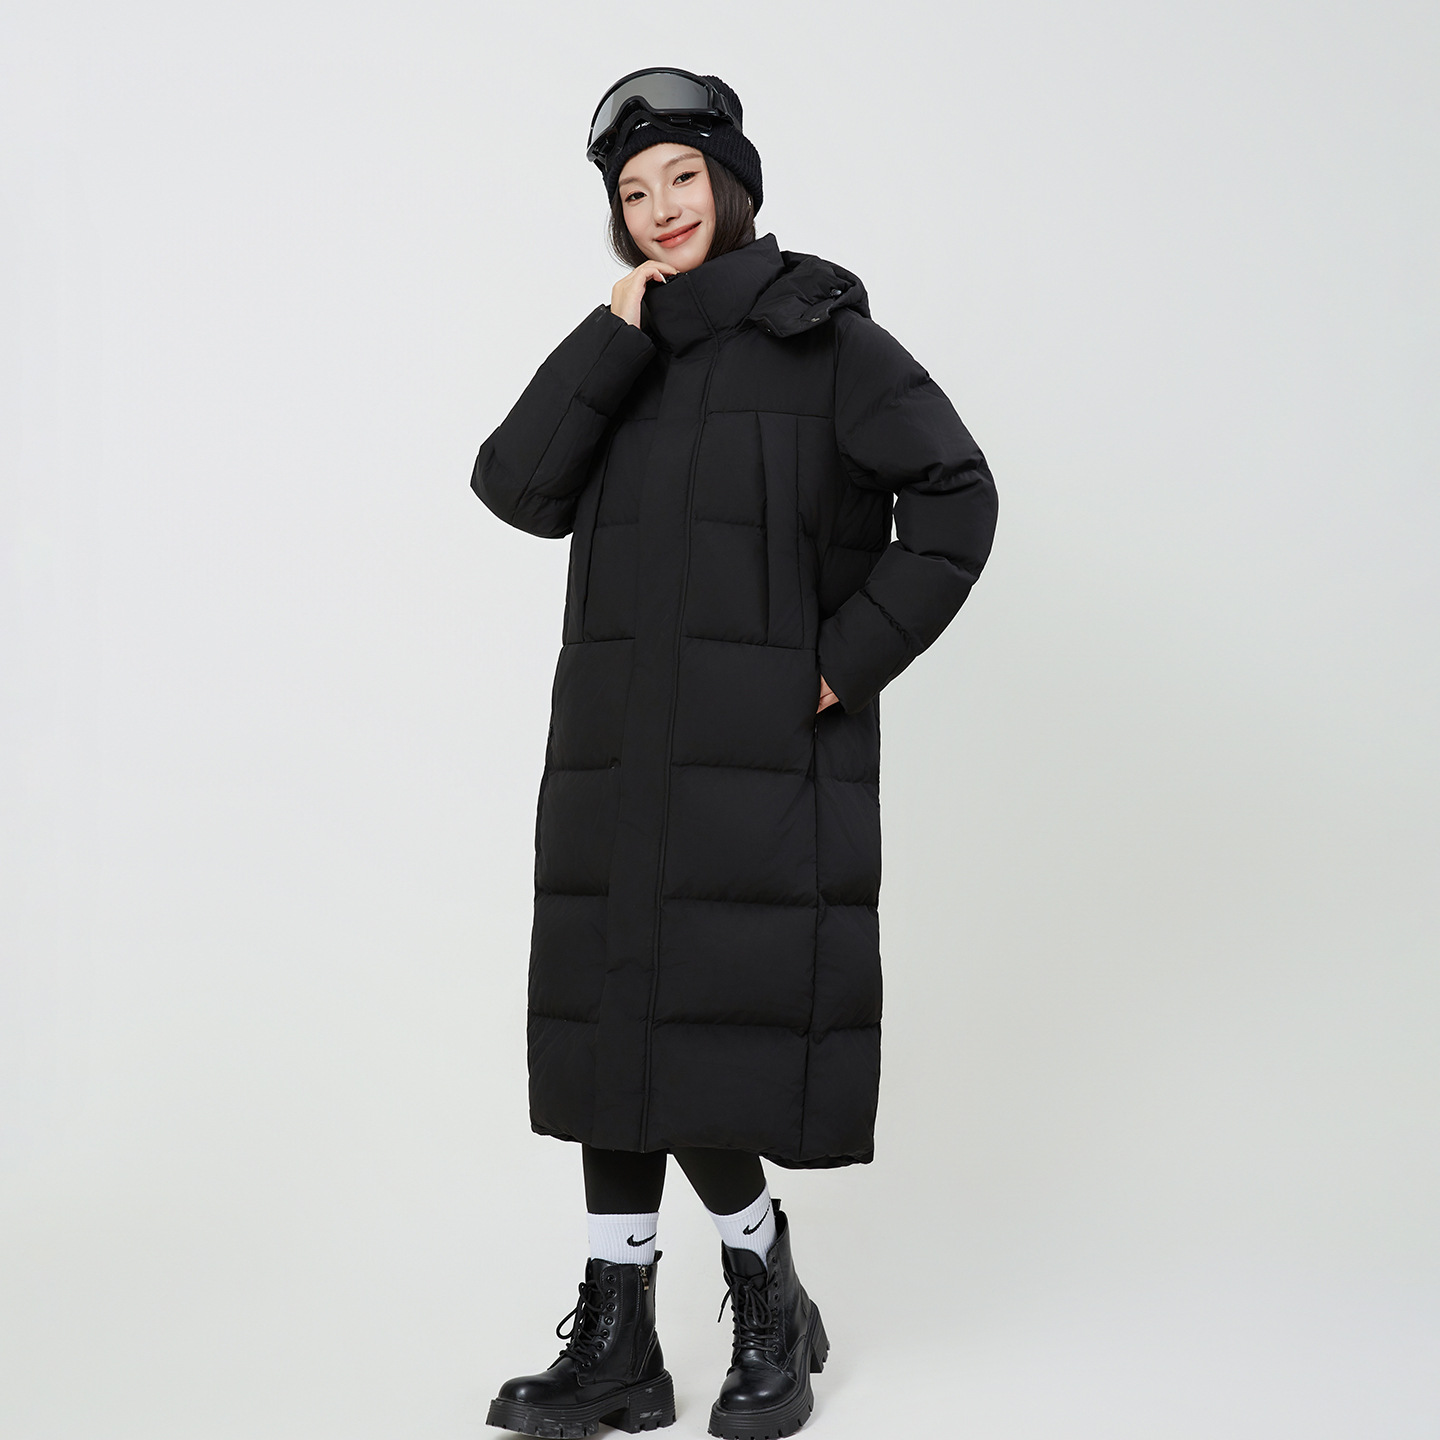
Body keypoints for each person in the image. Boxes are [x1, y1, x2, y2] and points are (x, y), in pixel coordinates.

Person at [471, 68, 998, 1439]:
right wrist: (611, 336)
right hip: (616, 747)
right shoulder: (628, 350)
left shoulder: (826, 340)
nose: (660, 208)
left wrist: (838, 662)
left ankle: (765, 1293)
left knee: (697, 1029)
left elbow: (956, 498)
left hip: (755, 755)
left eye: (682, 178)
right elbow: (515, 487)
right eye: (633, 192)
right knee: (616, 1028)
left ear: (734, 182)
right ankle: (620, 1348)